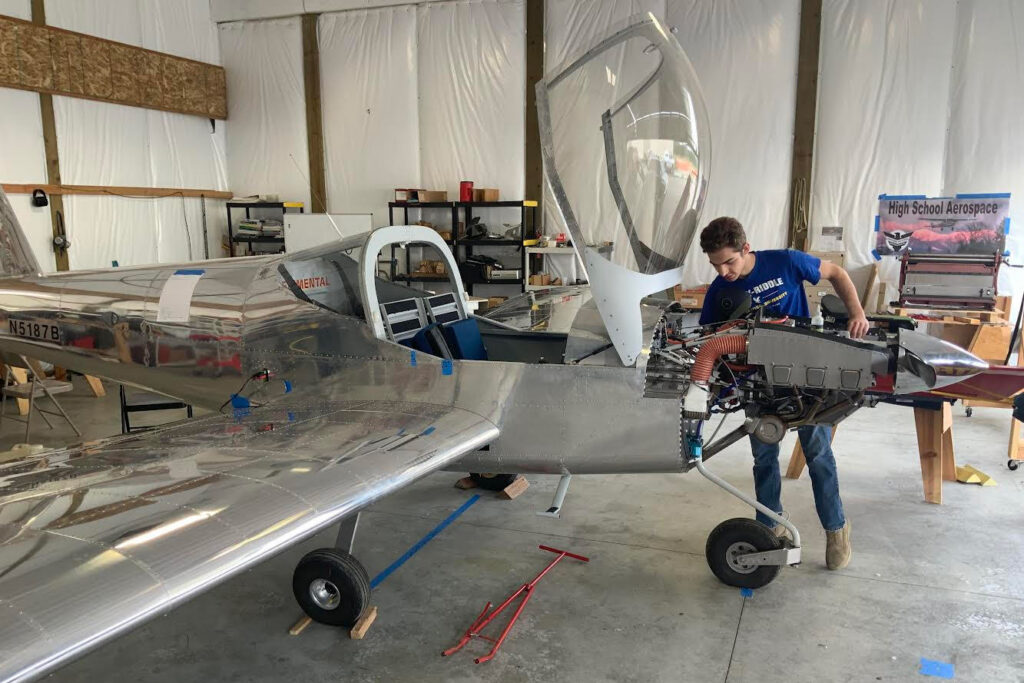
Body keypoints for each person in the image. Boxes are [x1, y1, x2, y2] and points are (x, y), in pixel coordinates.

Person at [697, 216, 868, 570]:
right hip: (758, 387)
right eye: (716, 264)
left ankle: (837, 529)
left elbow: (836, 273)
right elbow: (708, 341)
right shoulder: (719, 291)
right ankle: (768, 528)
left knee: (818, 455)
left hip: (807, 382)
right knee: (764, 458)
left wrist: (858, 314)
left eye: (729, 261)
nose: (724, 271)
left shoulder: (786, 261)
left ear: (746, 248)